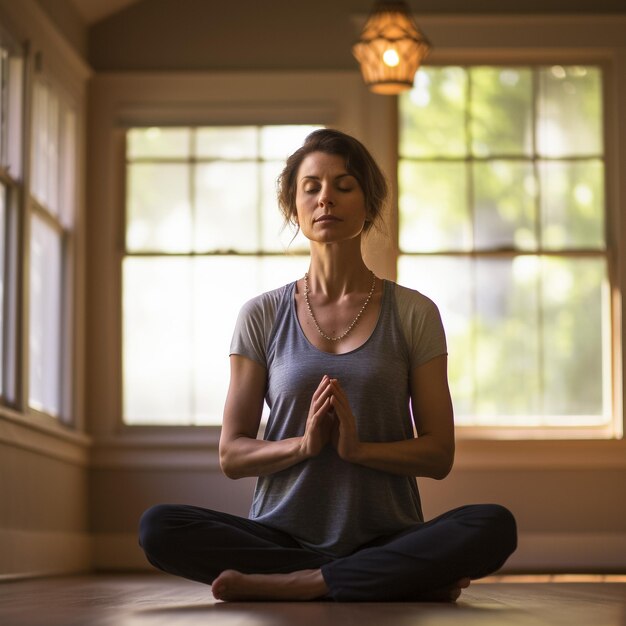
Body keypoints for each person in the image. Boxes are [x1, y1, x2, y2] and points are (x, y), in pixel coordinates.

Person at [139, 128, 517, 602]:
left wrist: (359, 451)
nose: (326, 200)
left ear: (368, 201)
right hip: (281, 537)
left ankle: (310, 582)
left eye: (344, 185)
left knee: (493, 525)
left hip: (388, 534)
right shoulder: (261, 315)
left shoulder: (416, 313)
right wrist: (305, 444)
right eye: (311, 187)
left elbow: (439, 454)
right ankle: (386, 578)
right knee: (159, 527)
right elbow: (231, 455)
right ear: (292, 205)